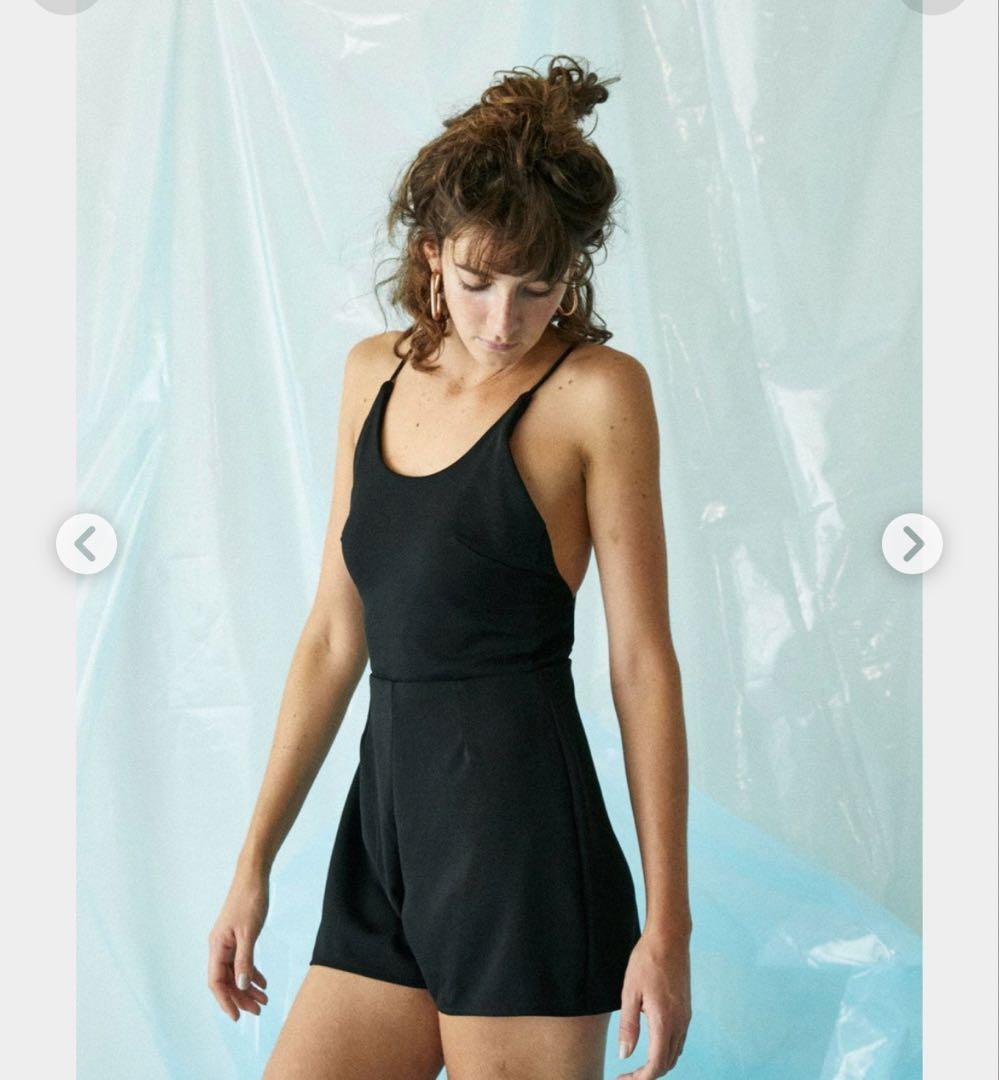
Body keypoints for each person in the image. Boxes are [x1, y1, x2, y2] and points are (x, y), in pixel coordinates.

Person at [208, 54, 692, 1079]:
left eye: (537, 288)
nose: (502, 321)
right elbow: (333, 635)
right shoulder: (371, 374)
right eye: (476, 283)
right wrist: (253, 862)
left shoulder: (597, 393)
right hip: (385, 833)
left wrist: (668, 924)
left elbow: (641, 662)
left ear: (573, 272)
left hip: (520, 843)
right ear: (430, 254)